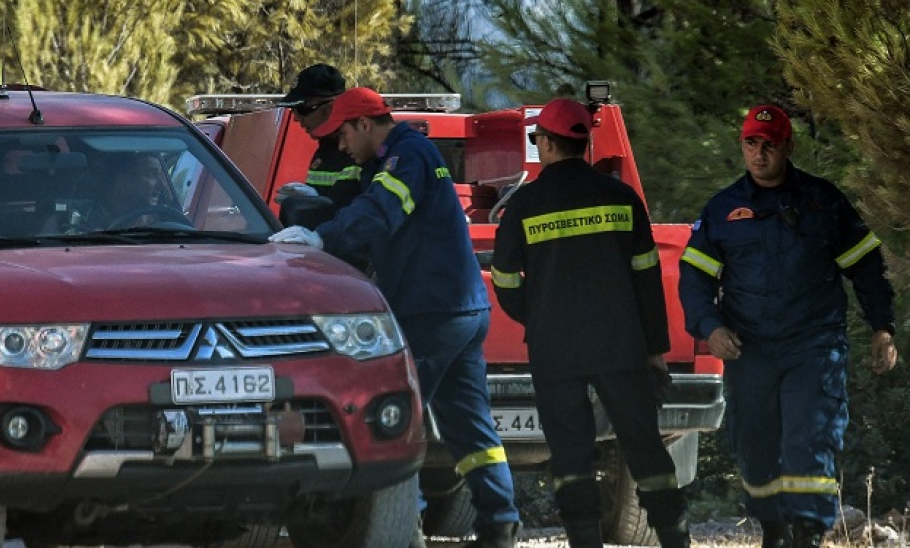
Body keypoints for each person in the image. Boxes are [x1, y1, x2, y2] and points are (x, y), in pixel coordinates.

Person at [269, 87, 520, 548]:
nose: (340, 146)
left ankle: (407, 528)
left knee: (396, 421)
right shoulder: (405, 156)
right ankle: (499, 523)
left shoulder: (405, 157)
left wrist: (319, 239)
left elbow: (379, 213)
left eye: (343, 134)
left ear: (365, 124)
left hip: (432, 309)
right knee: (469, 425)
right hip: (458, 307)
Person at [678, 105, 898, 548]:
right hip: (749, 349)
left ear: (787, 147)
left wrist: (882, 327)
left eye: (769, 145)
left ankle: (808, 533)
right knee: (755, 446)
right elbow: (694, 278)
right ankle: (774, 529)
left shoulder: (824, 201)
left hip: (813, 346)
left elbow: (867, 267)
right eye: (751, 144)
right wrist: (711, 327)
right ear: (742, 146)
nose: (759, 154)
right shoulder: (723, 208)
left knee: (810, 438)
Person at [490, 99, 690, 548]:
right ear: (582, 143)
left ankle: (585, 541)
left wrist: (539, 316)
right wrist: (654, 346)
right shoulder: (622, 199)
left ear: (546, 143)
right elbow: (647, 279)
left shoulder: (524, 205)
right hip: (621, 346)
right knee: (643, 445)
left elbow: (504, 281)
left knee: (570, 453)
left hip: (555, 350)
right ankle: (675, 539)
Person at [273, 63, 362, 209]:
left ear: (331, 107)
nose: (296, 118)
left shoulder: (361, 151)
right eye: (293, 110)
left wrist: (318, 203)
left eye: (302, 109)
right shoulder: (323, 151)